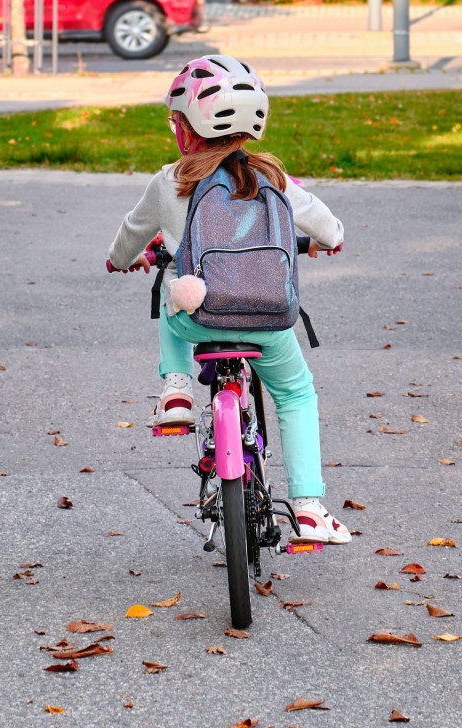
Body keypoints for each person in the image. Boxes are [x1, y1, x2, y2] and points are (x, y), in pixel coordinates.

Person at [105, 55, 351, 545]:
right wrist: (327, 241)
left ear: (186, 127)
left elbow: (128, 239)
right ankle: (308, 507)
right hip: (269, 322)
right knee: (296, 395)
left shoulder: (171, 180)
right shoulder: (276, 179)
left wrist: (119, 260)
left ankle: (176, 390)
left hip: (198, 319)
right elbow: (333, 230)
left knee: (170, 292)